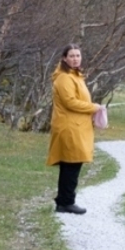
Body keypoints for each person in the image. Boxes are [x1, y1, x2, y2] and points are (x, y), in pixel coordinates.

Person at [46, 44, 103, 215]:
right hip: (70, 127)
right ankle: (66, 202)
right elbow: (69, 102)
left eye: (78, 55)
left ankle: (64, 200)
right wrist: (93, 107)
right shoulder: (64, 78)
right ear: (64, 58)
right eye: (71, 56)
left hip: (77, 126)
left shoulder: (75, 75)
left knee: (72, 165)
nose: (75, 58)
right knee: (71, 165)